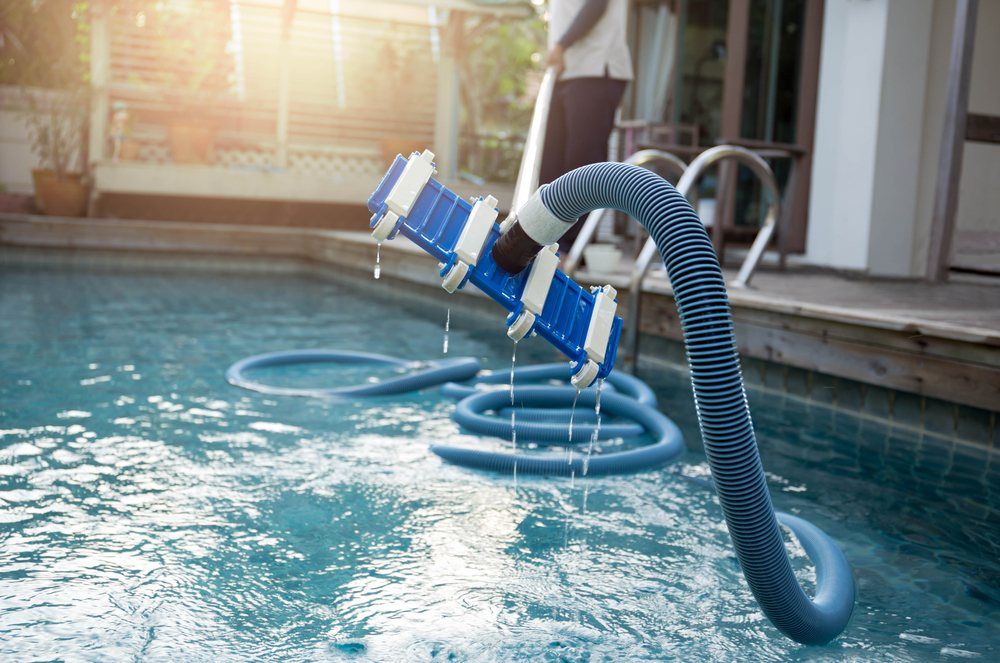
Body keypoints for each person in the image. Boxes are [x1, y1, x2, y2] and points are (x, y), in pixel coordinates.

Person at [541, 0, 633, 251]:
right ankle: (548, 243)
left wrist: (561, 45)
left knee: (581, 166)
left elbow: (597, 5)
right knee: (551, 164)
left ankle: (574, 248)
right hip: (566, 72)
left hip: (596, 69)